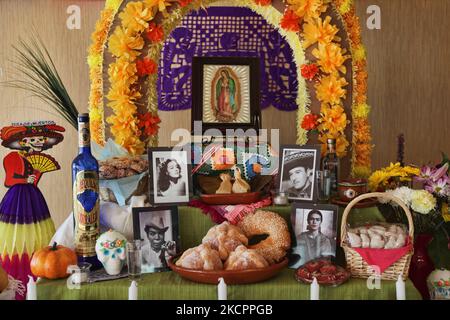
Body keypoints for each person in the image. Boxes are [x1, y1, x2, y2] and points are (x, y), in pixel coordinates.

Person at [0, 122, 65, 299]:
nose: (37, 142)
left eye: (40, 139)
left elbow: (32, 181)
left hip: (33, 197)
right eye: (32, 139)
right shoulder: (11, 157)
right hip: (16, 199)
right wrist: (25, 179)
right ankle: (14, 279)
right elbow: (9, 180)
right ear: (22, 142)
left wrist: (35, 176)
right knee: (15, 240)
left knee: (38, 235)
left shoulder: (31, 158)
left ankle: (38, 277)